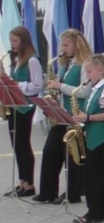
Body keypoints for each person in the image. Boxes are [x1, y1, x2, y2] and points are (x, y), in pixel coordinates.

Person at [33, 29, 92, 204]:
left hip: (76, 116)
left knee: (72, 156)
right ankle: (47, 192)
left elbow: (85, 91)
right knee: (50, 151)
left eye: (66, 45)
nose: (62, 48)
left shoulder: (85, 64)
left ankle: (72, 194)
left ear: (77, 45)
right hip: (62, 114)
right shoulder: (67, 64)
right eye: (62, 45)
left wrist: (60, 86)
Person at [73, 53, 104, 223]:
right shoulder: (97, 87)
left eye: (89, 71)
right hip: (94, 134)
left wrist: (88, 118)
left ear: (100, 70)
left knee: (92, 174)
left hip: (100, 136)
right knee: (98, 173)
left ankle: (95, 212)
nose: (87, 76)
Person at [3, 26, 42, 198]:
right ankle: (21, 182)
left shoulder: (32, 60)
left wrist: (17, 85)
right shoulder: (16, 58)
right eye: (10, 40)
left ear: (24, 41)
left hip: (26, 107)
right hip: (14, 105)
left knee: (23, 144)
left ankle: (29, 184)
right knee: (16, 145)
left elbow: (37, 86)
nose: (12, 44)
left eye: (15, 41)